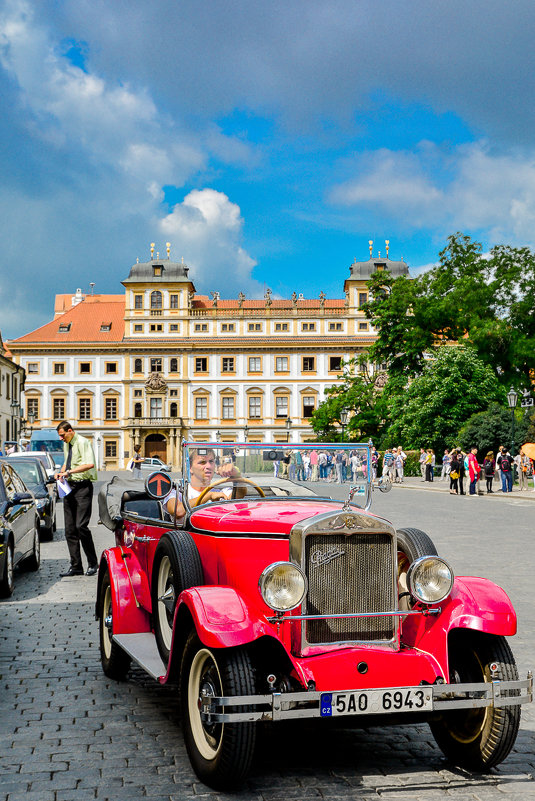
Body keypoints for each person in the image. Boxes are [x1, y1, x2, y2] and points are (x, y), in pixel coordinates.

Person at [55, 421, 99, 577]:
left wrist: (69, 472)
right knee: (69, 529)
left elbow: (89, 464)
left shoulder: (83, 442)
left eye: (62, 435)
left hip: (83, 487)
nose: (61, 438)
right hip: (69, 487)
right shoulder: (68, 443)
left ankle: (93, 563)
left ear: (70, 431)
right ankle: (76, 566)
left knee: (81, 526)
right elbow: (67, 462)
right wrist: (60, 473)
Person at [164, 448, 244, 516]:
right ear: (190, 468)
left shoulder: (220, 491)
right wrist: (208, 495)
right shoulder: (178, 492)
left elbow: (239, 496)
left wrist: (236, 475)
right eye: (202, 462)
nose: (208, 466)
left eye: (211, 461)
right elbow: (177, 511)